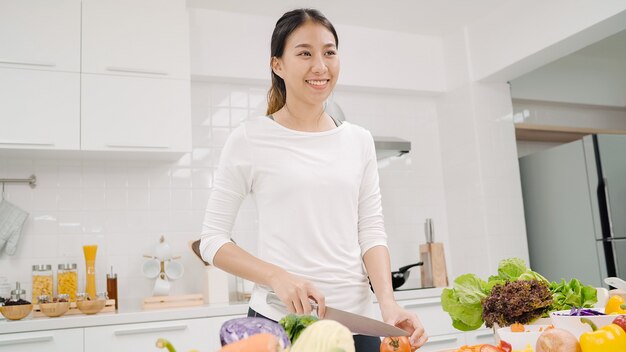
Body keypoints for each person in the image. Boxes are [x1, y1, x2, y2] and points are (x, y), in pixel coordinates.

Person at [199, 8, 428, 351]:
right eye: (305, 53)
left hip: (356, 322)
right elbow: (212, 241)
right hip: (280, 323)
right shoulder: (249, 138)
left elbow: (371, 231)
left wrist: (388, 304)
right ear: (277, 64)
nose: (320, 66)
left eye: (329, 52)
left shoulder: (359, 140)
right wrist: (277, 277)